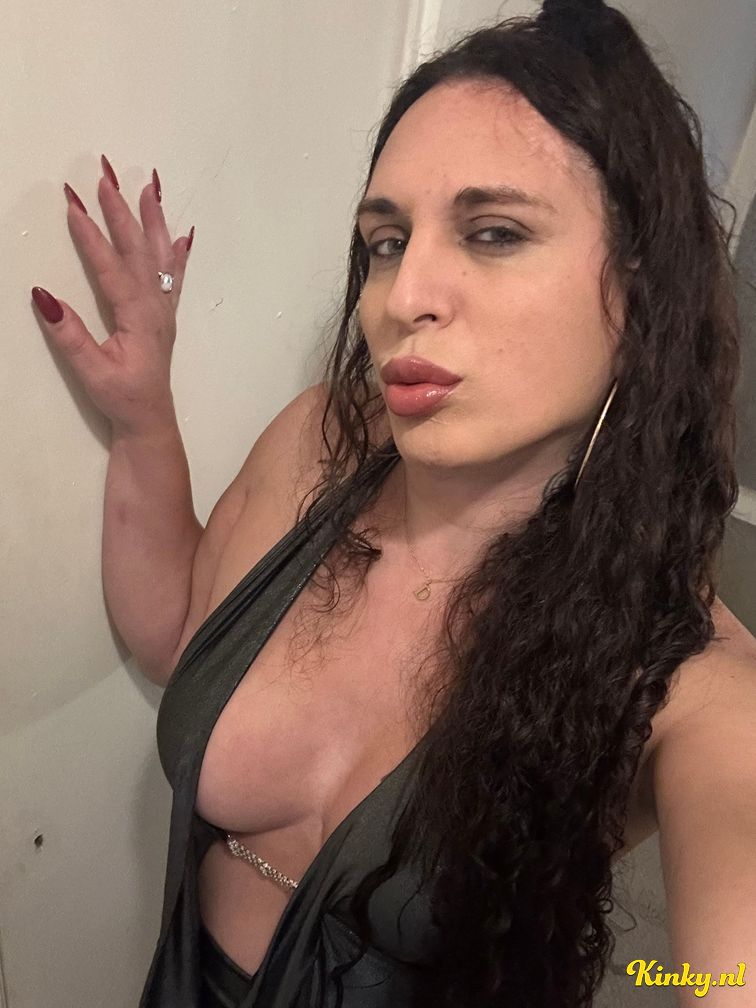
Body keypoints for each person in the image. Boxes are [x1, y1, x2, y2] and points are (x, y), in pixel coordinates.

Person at [30, 0, 756, 1005]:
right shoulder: (321, 443)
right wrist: (144, 415)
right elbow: (179, 636)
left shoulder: (682, 678)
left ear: (639, 290)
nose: (404, 294)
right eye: (385, 240)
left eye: (493, 232)